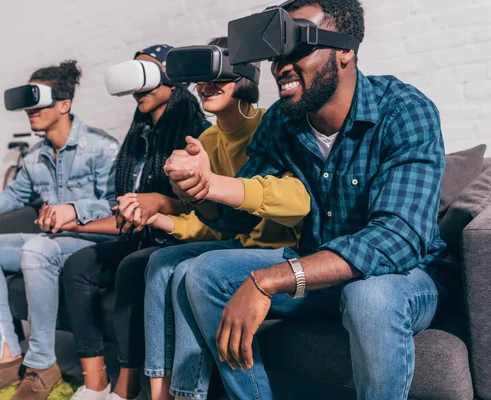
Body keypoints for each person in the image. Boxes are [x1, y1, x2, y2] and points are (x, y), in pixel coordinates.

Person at [165, 1, 451, 399]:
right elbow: (238, 223)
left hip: (406, 277)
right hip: (318, 269)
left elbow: (398, 238)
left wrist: (269, 280)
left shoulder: (404, 110)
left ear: (346, 50)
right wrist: (202, 188)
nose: (281, 66)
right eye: (277, 54)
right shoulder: (282, 121)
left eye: (298, 48)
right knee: (203, 272)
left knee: (368, 296)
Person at [136, 37, 309, 400]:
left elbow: (295, 202)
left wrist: (209, 187)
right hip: (236, 242)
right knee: (160, 261)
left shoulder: (273, 125)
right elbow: (219, 222)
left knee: (188, 272)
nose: (206, 86)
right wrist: (190, 192)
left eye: (218, 76)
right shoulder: (205, 139)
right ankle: (159, 393)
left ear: (244, 77)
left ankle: (188, 395)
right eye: (201, 79)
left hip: (284, 248)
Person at [0, 60, 120, 400]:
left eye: (39, 100)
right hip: (53, 241)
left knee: (36, 249)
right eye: (28, 102)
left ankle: (43, 364)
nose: (31, 110)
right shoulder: (34, 158)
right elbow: (13, 195)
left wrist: (74, 210)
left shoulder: (102, 148)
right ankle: (6, 360)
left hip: (91, 241)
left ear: (64, 104)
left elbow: (120, 206)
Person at [58, 45, 210, 400]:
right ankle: (96, 381)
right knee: (78, 264)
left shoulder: (198, 132)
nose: (138, 86)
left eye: (148, 73)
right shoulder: (136, 140)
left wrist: (158, 206)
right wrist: (75, 223)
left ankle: (127, 384)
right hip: (138, 236)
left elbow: (204, 207)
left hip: (174, 238)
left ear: (172, 81)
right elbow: (122, 208)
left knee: (131, 268)